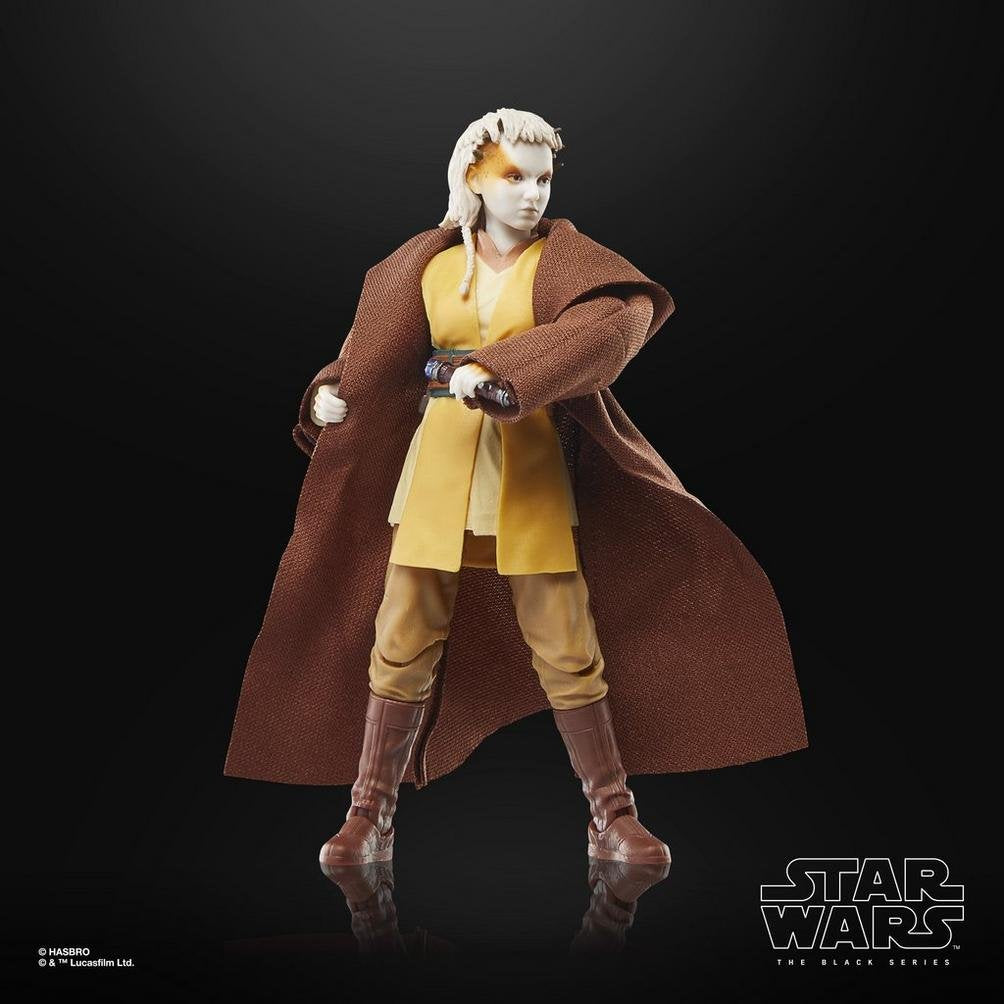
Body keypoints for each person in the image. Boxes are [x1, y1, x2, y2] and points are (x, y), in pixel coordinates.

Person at [223, 108, 809, 868]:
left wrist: (505, 372)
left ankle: (612, 815)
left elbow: (612, 322)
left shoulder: (563, 264)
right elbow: (373, 352)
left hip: (527, 472)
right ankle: (369, 813)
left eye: (542, 179)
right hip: (435, 472)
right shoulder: (426, 266)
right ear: (473, 177)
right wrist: (328, 393)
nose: (532, 194)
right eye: (513, 177)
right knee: (401, 639)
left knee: (566, 642)